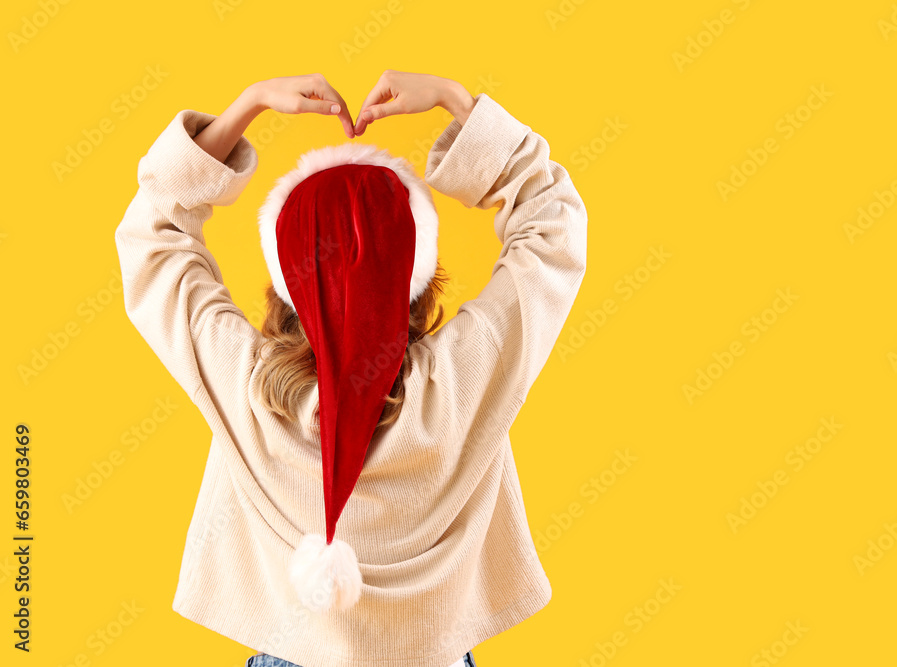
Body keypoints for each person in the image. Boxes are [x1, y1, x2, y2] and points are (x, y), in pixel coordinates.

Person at [114, 70, 587, 667]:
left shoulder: (253, 389)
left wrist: (249, 104)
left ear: (287, 285)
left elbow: (152, 237)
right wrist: (454, 101)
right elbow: (554, 225)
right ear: (417, 274)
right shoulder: (464, 377)